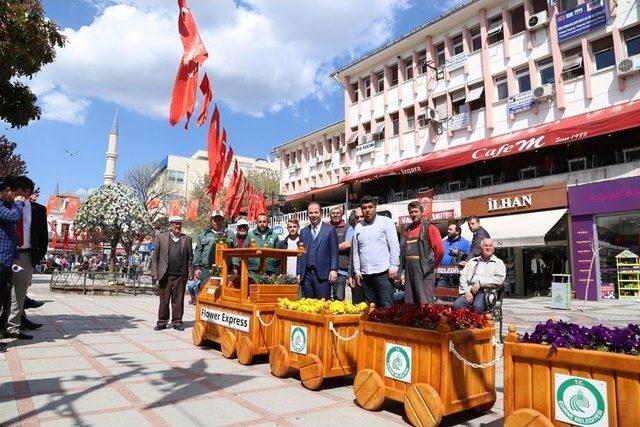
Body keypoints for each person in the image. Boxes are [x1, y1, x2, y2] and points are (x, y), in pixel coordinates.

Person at [6, 176, 48, 339]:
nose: (23, 195)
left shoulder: (39, 209)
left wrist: (37, 257)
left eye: (26, 192)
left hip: (25, 255)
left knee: (19, 293)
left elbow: (43, 236)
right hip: (6, 254)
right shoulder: (7, 205)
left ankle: (13, 326)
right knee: (5, 291)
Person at [352, 196, 400, 308]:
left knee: (386, 307)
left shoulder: (386, 222)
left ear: (375, 207)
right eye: (364, 208)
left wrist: (393, 266)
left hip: (383, 272)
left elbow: (394, 245)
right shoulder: (358, 227)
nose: (367, 210)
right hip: (365, 275)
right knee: (370, 308)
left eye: (370, 207)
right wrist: (357, 271)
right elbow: (356, 251)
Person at [150, 216, 193, 331]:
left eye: (179, 224)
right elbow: (155, 257)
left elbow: (190, 258)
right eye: (175, 224)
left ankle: (177, 322)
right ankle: (162, 322)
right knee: (164, 300)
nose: (177, 226)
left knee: (178, 300)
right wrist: (154, 272)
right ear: (170, 225)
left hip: (180, 275)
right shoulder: (161, 238)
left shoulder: (187, 239)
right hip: (165, 275)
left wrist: (190, 272)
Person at [399, 201, 444, 304]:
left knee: (425, 301)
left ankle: (428, 320)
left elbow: (440, 251)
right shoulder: (408, 229)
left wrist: (431, 266)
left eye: (416, 211)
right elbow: (402, 252)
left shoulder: (430, 227)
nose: (413, 214)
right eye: (411, 212)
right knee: (410, 302)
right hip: (409, 270)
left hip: (424, 270)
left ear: (422, 212)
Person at [0, 177, 25, 346]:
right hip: (0, 258)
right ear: (7, 190)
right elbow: (14, 218)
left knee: (4, 300)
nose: (16, 197)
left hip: (7, 260)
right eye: (15, 194)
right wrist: (19, 203)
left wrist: (15, 255)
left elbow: (12, 234)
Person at [297, 202, 339, 299]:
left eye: (316, 212)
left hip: (323, 275)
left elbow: (334, 252)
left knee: (322, 307)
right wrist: (298, 272)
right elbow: (300, 253)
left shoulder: (330, 230)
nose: (313, 215)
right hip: (306, 275)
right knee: (307, 307)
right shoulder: (303, 232)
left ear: (321, 213)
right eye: (310, 213)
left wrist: (333, 269)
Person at [452, 238, 506, 313]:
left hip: (486, 291)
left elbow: (499, 279)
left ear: (493, 249)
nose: (488, 248)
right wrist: (466, 292)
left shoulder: (498, 263)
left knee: (477, 306)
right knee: (457, 305)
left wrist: (480, 283)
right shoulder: (472, 261)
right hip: (470, 290)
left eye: (490, 246)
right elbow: (463, 275)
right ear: (481, 248)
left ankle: (479, 324)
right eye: (485, 245)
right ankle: (463, 324)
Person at [193, 210, 235, 284]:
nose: (217, 222)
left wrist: (235, 268)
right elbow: (198, 251)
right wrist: (197, 267)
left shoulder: (230, 234)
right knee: (205, 292)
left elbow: (235, 251)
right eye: (215, 220)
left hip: (226, 270)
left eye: (220, 219)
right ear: (211, 221)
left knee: (225, 292)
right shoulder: (203, 235)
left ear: (223, 221)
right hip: (207, 270)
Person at [328, 206, 351, 301]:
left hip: (341, 269)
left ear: (341, 215)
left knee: (339, 298)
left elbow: (348, 244)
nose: (335, 215)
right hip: (326, 268)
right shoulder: (325, 227)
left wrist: (327, 250)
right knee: (324, 298)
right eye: (333, 213)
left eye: (338, 213)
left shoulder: (347, 228)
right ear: (330, 215)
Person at [437, 223, 471, 288]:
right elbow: (439, 256)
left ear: (457, 232)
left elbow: (469, 258)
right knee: (440, 294)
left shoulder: (465, 243)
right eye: (448, 229)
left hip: (457, 276)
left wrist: (458, 253)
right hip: (442, 274)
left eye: (450, 229)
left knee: (456, 296)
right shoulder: (443, 242)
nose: (448, 231)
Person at [347, 208, 365, 304]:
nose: (359, 219)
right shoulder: (355, 233)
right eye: (357, 217)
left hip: (371, 274)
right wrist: (349, 275)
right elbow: (352, 256)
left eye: (362, 216)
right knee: (357, 305)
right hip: (356, 276)